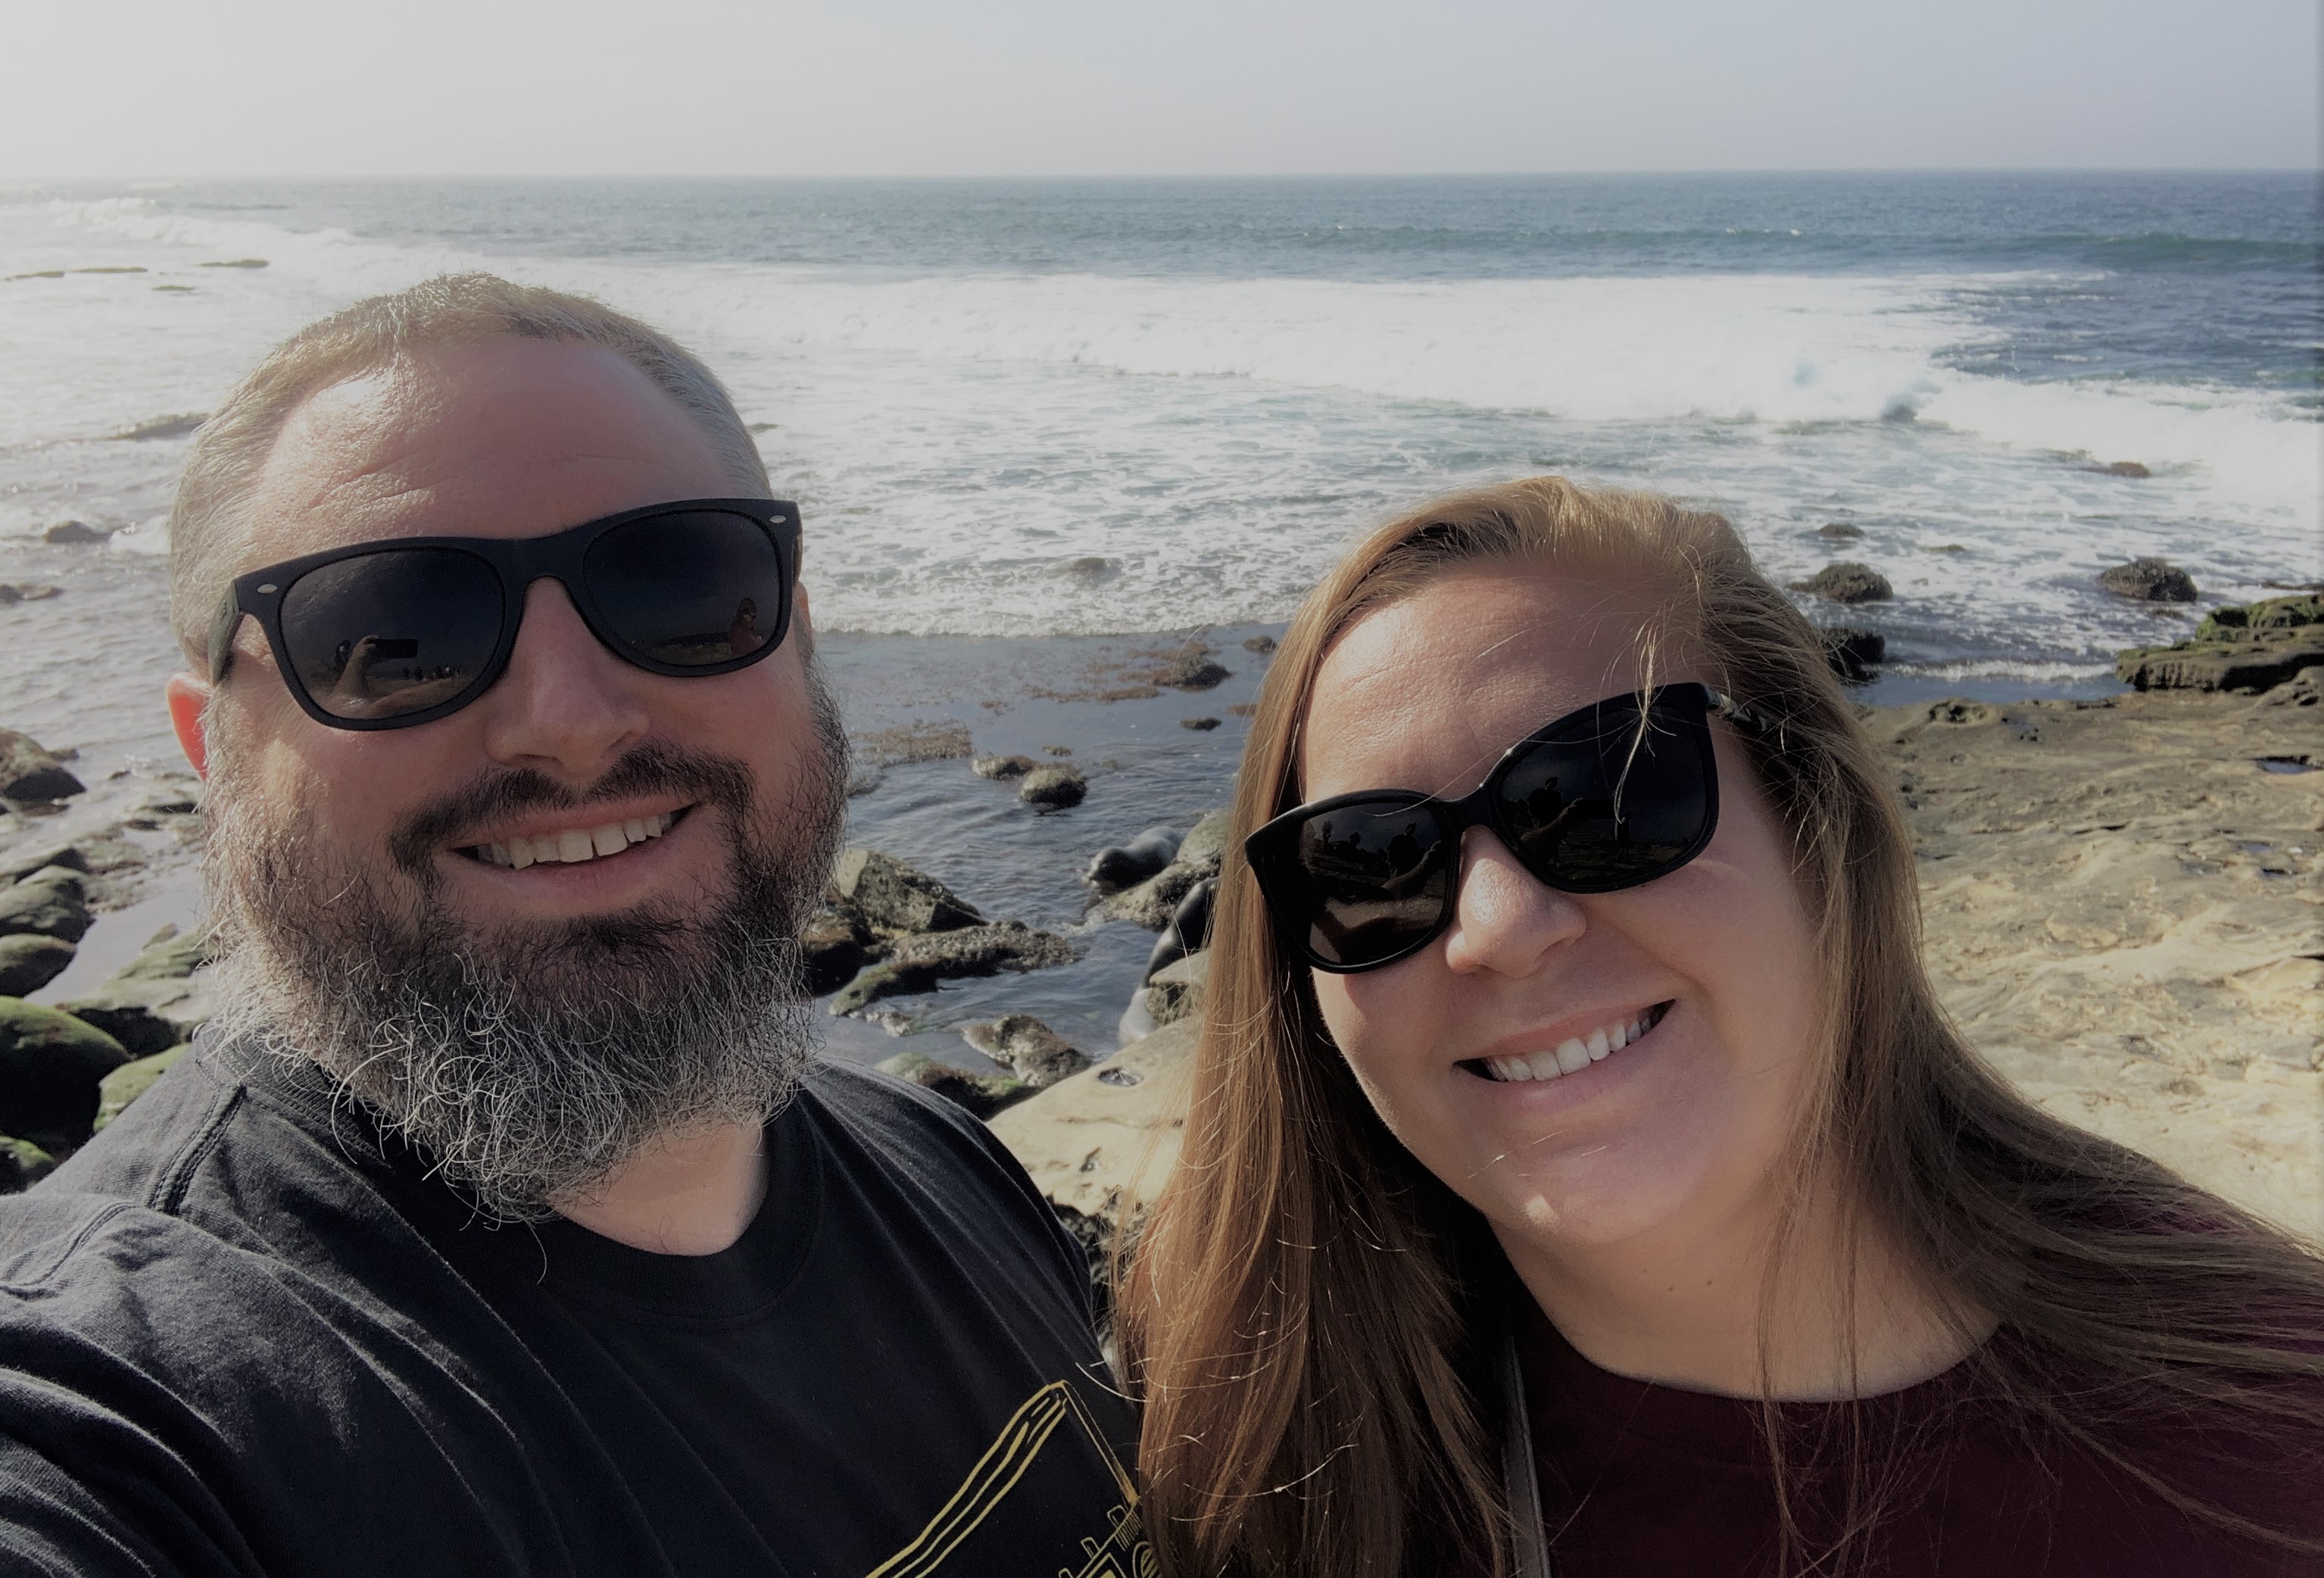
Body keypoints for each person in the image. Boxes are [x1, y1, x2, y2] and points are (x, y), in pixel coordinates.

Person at [0, 275, 1146, 1576]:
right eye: (394, 632)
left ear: (799, 645)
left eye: (681, 586)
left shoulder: (945, 1163)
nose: (572, 721)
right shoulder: (129, 1401)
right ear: (214, 751)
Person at [1118, 476, 2324, 1576]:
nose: (1498, 928)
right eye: (1370, 861)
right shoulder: (1247, 1427)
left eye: (1607, 793)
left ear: (1815, 829)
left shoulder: (2269, 1443)